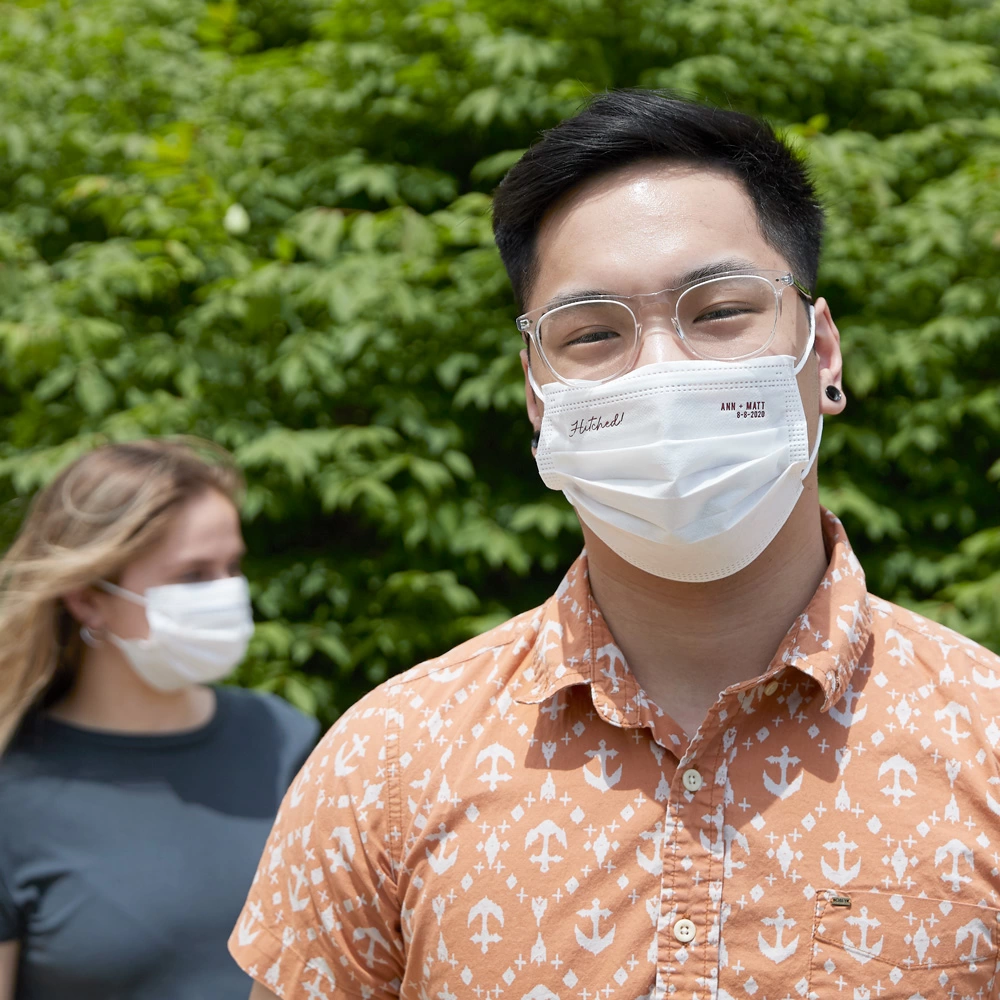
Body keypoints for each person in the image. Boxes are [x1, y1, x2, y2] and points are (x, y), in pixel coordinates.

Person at [231, 91, 1000, 1000]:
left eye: (719, 311)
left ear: (821, 353)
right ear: (535, 395)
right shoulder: (387, 761)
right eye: (593, 333)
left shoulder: (985, 741)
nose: (662, 372)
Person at [0, 438, 318, 1000]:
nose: (226, 592)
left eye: (232, 566)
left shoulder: (284, 739)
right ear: (87, 600)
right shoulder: (13, 794)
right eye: (194, 575)